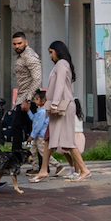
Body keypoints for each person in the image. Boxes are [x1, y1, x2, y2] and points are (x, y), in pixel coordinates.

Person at [38, 40, 88, 180]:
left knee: (66, 140)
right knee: (57, 138)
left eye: (51, 52)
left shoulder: (61, 64)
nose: (50, 56)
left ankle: (83, 169)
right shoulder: (65, 65)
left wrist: (54, 104)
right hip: (64, 105)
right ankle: (44, 169)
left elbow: (60, 86)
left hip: (62, 106)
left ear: (58, 51)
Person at [10, 32, 40, 157]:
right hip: (23, 98)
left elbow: (37, 78)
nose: (17, 46)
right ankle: (36, 163)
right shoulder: (22, 56)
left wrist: (28, 99)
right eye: (14, 44)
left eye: (19, 43)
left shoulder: (29, 56)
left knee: (17, 127)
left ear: (26, 42)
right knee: (32, 130)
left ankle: (15, 160)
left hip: (28, 99)